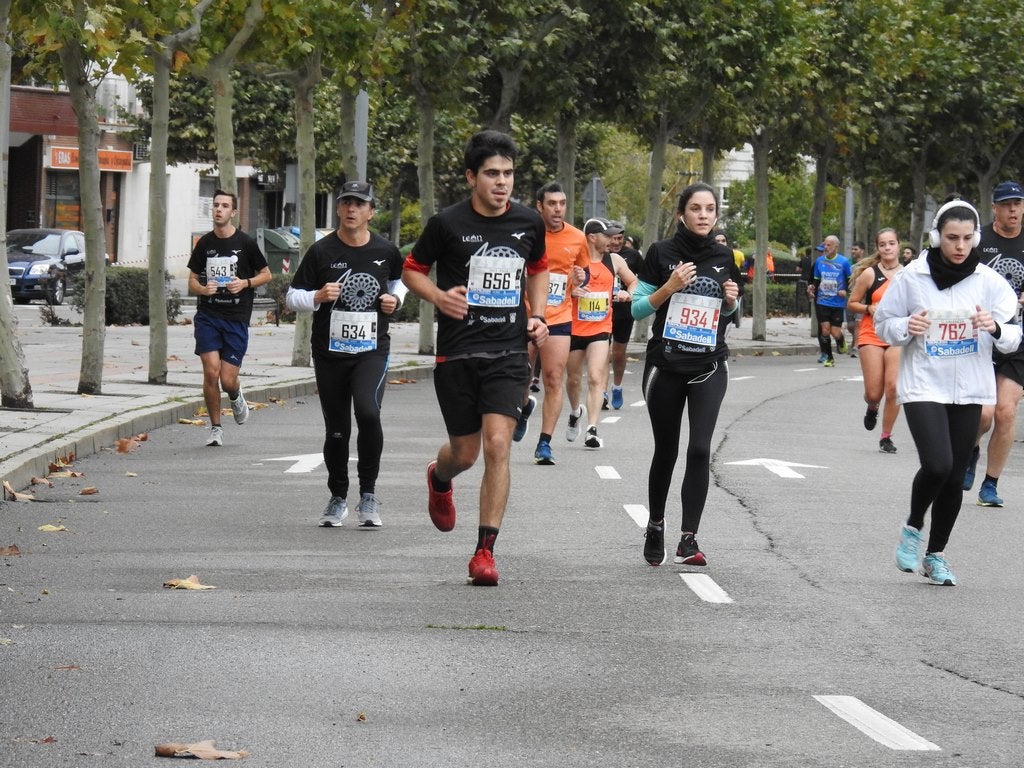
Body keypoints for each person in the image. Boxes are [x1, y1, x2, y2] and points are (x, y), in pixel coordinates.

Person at [401, 130, 548, 586]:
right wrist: (439, 297)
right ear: (471, 177)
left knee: (498, 445)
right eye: (491, 174)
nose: (501, 183)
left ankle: (485, 552)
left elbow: (538, 267)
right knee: (464, 454)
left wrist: (539, 315)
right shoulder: (446, 223)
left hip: (507, 350)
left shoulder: (528, 222)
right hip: (458, 352)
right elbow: (411, 270)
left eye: (507, 174)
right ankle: (439, 476)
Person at [874, 199, 1020, 586]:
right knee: (938, 464)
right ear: (937, 237)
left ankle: (935, 555)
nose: (959, 246)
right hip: (923, 382)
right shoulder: (912, 277)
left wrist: (995, 328)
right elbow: (883, 324)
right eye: (952, 238)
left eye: (967, 239)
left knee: (955, 477)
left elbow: (1014, 334)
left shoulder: (989, 282)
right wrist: (908, 325)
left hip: (970, 388)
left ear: (975, 239)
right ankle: (912, 527)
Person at [285, 181, 405, 528]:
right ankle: (338, 497)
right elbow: (292, 297)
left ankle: (368, 493)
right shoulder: (321, 252)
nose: (352, 209)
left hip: (371, 350)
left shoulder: (386, 250)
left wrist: (395, 301)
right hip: (329, 352)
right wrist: (317, 296)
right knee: (336, 429)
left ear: (370, 212)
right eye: (346, 203)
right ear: (338, 209)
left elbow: (400, 282)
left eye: (359, 204)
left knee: (368, 412)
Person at [632, 182, 740, 568]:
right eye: (696, 208)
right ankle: (656, 524)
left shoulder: (724, 255)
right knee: (667, 451)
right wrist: (669, 286)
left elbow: (728, 313)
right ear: (682, 213)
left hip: (709, 363)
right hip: (667, 365)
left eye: (710, 209)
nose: (704, 215)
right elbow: (638, 310)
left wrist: (730, 302)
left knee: (699, 449)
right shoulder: (661, 252)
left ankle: (688, 538)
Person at [186, 189, 271, 447]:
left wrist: (245, 283)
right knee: (211, 373)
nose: (218, 209)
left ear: (233, 212)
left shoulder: (245, 243)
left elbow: (266, 275)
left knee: (227, 379)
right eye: (215, 205)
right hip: (208, 316)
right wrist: (202, 289)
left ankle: (235, 393)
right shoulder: (205, 244)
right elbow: (191, 279)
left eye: (224, 206)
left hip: (235, 318)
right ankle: (215, 428)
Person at [962, 180, 1024, 506]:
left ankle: (991, 485)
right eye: (1006, 204)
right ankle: (971, 451)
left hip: (1019, 338)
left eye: (1018, 203)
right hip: (981, 335)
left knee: (1006, 411)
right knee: (983, 416)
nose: (1013, 209)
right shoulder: (978, 240)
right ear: (995, 208)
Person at [518, 181, 588, 465]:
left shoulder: (577, 237)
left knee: (552, 378)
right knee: (521, 375)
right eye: (552, 204)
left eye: (562, 203)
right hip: (525, 313)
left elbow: (583, 272)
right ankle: (524, 407)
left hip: (559, 316)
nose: (558, 209)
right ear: (540, 206)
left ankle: (544, 443)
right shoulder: (526, 233)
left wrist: (581, 279)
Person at [564, 218, 637, 449]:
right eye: (607, 236)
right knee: (574, 379)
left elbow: (634, 281)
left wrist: (629, 294)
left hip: (601, 328)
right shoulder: (574, 260)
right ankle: (576, 411)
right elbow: (557, 290)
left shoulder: (614, 260)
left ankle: (592, 429)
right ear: (592, 237)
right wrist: (572, 291)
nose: (612, 241)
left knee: (596, 377)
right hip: (575, 328)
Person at [846, 229, 903, 453]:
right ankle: (872, 406)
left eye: (891, 243)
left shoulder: (909, 275)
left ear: (898, 246)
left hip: (897, 336)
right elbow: (852, 303)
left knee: (894, 388)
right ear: (878, 248)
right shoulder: (870, 274)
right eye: (883, 244)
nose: (887, 248)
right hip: (872, 334)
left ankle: (886, 437)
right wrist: (868, 307)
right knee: (873, 392)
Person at [608, 223, 643, 408]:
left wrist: (632, 294)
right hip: (601, 311)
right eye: (612, 238)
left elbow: (642, 280)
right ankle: (602, 392)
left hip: (624, 312)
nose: (616, 242)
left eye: (619, 239)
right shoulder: (600, 254)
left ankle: (617, 387)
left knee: (618, 353)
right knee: (601, 353)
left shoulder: (632, 256)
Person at [807, 235, 851, 367]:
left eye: (829, 245)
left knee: (835, 332)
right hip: (822, 301)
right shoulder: (820, 261)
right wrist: (811, 288)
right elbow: (816, 279)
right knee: (825, 330)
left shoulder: (844, 262)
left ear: (836, 247)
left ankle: (841, 340)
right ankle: (829, 357)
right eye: (825, 245)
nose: (826, 247)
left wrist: (845, 291)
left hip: (837, 302)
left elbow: (850, 281)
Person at [846, 240, 866, 357]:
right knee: (850, 325)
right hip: (850, 297)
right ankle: (856, 338)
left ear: (862, 251)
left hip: (862, 299)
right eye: (852, 249)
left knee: (858, 324)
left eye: (856, 249)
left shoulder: (867, 265)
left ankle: (856, 347)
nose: (853, 251)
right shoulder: (848, 264)